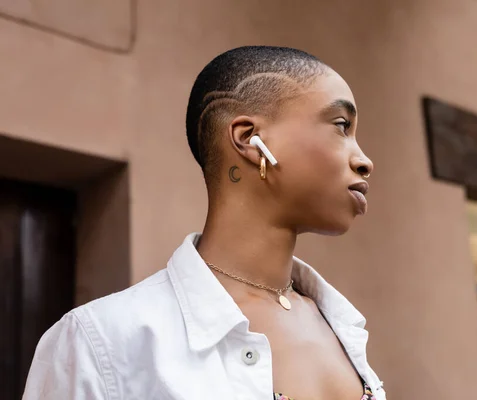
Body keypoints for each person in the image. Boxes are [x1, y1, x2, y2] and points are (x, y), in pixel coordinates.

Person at [23, 46, 384, 400]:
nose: (364, 160)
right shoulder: (101, 341)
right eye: (341, 126)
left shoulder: (343, 327)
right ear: (249, 140)